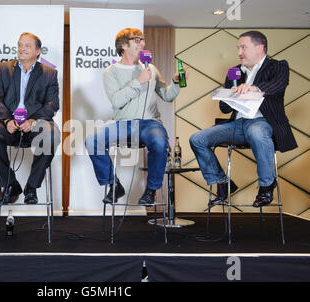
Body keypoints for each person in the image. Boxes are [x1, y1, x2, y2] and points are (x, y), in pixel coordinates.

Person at [189, 31, 297, 208]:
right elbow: (224, 109)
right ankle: (223, 183)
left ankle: (266, 185)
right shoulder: (235, 72)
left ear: (260, 48)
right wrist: (229, 94)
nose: (239, 52)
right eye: (238, 48)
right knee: (197, 139)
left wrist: (253, 87)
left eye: (243, 47)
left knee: (256, 131)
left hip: (262, 122)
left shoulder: (277, 66)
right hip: (237, 125)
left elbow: (277, 85)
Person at [85, 28, 183, 205]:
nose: (142, 43)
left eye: (142, 40)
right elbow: (116, 101)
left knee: (160, 142)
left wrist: (176, 82)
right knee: (92, 140)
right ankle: (113, 185)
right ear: (123, 45)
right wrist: (138, 81)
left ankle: (151, 190)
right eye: (137, 40)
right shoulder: (111, 72)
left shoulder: (150, 68)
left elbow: (167, 96)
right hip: (124, 124)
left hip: (150, 123)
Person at [0, 32, 60, 205]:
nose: (22, 48)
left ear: (38, 51)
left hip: (36, 124)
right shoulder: (3, 69)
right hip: (9, 123)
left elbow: (52, 104)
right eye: (20, 45)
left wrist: (33, 121)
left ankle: (31, 187)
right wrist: (7, 120)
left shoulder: (49, 74)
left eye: (27, 45)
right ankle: (10, 185)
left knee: (51, 134)